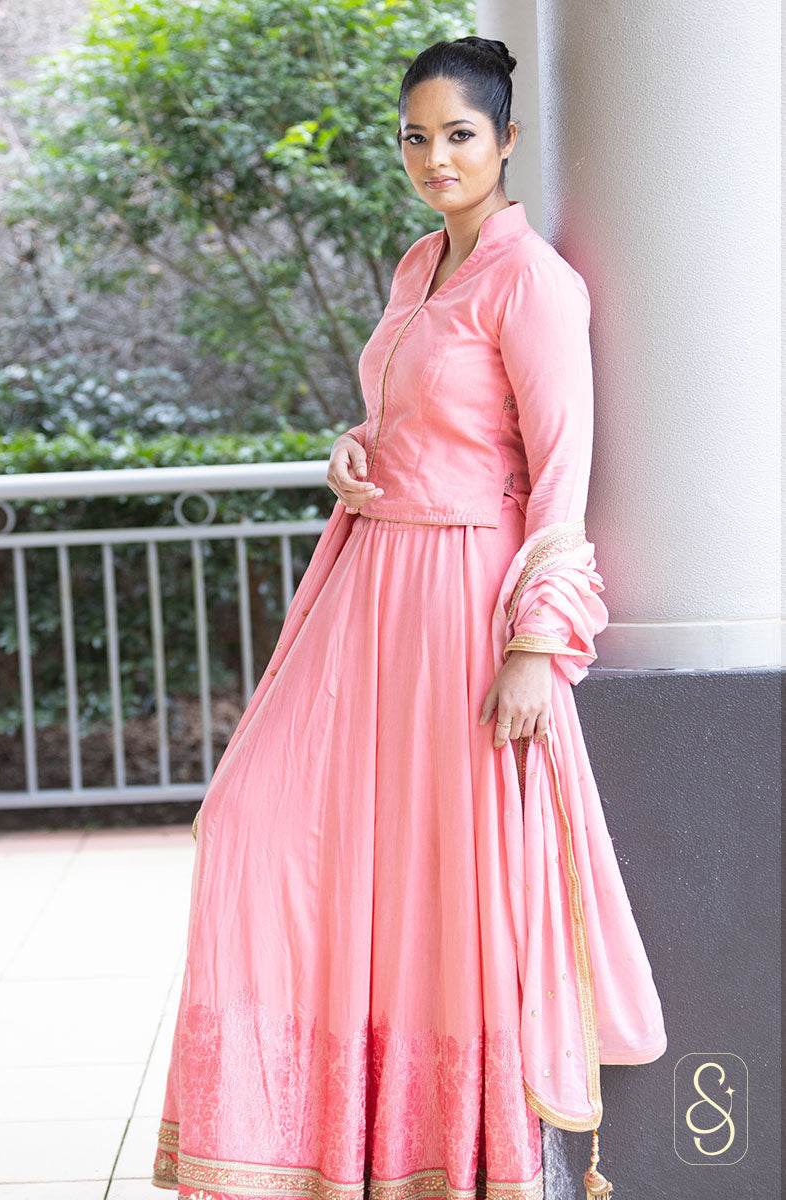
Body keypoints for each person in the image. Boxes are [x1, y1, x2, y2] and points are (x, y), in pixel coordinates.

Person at [152, 36, 667, 1200]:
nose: (437, 158)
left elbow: (561, 469)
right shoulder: (418, 264)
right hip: (369, 586)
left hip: (457, 602)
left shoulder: (534, 282)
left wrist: (537, 642)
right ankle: (320, 1140)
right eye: (416, 138)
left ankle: (436, 1149)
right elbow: (417, 413)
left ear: (507, 140)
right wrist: (356, 444)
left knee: (436, 872)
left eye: (460, 135)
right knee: (254, 820)